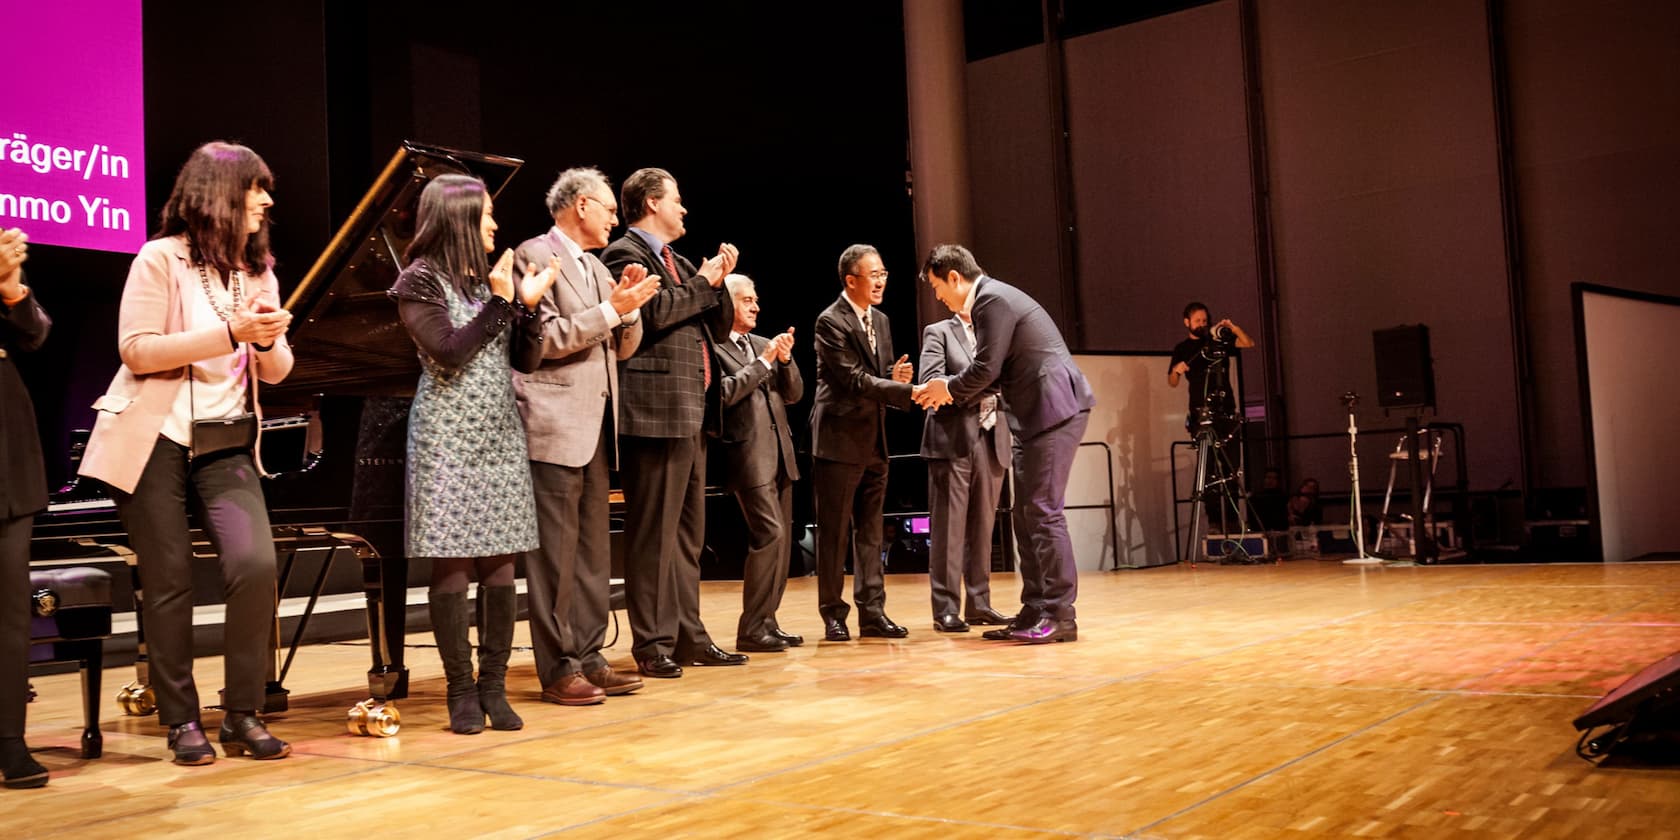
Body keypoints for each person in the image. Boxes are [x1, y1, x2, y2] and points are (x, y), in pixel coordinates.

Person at [79, 143, 295, 763]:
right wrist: (231, 331)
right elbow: (138, 351)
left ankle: (242, 713)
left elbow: (277, 372)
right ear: (222, 192)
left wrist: (267, 335)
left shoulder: (258, 270)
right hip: (155, 440)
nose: (267, 200)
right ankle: (181, 721)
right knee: (170, 581)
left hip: (225, 441)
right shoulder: (159, 258)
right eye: (257, 187)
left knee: (255, 566)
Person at [389, 173, 555, 734]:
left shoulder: (490, 282)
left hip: (498, 432)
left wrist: (526, 310)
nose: (494, 224)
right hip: (447, 437)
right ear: (458, 218)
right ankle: (461, 691)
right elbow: (450, 351)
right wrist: (504, 301)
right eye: (486, 214)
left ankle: (494, 685)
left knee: (503, 566)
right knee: (454, 564)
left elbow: (526, 362)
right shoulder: (419, 281)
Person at [511, 168, 657, 706]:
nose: (616, 217)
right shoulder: (533, 254)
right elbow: (542, 340)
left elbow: (621, 347)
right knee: (554, 556)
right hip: (552, 423)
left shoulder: (595, 266)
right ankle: (558, 667)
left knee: (595, 550)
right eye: (608, 208)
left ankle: (591, 655)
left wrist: (628, 311)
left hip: (596, 426)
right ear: (579, 206)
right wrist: (608, 311)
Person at [600, 168, 744, 677]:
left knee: (687, 535)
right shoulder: (624, 254)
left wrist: (718, 282)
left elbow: (719, 325)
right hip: (655, 414)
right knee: (653, 535)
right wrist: (705, 283)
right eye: (677, 200)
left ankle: (690, 637)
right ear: (653, 202)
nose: (684, 209)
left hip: (691, 411)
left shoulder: (680, 261)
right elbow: (655, 313)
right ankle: (651, 644)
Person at [915, 244, 1094, 644]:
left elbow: (985, 369)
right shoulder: (993, 299)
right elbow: (996, 375)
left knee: (1044, 513)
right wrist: (949, 389)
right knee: (1025, 515)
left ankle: (1061, 615)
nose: (938, 297)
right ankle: (1035, 610)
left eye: (937, 287)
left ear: (954, 278)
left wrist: (947, 389)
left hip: (1053, 410)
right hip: (1033, 416)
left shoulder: (990, 300)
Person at [810, 244, 916, 642]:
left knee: (872, 533)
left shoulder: (882, 321)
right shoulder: (829, 322)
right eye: (874, 275)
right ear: (851, 280)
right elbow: (852, 380)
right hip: (839, 440)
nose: (881, 281)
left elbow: (875, 376)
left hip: (875, 440)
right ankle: (833, 615)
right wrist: (903, 390)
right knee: (835, 534)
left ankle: (873, 612)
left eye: (884, 274)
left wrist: (894, 375)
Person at [711, 274, 804, 652]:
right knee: (769, 536)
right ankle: (750, 628)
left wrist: (785, 359)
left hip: (781, 453)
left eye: (756, 299)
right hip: (747, 456)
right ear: (728, 304)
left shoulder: (764, 344)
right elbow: (725, 394)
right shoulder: (715, 348)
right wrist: (764, 364)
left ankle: (768, 620)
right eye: (747, 300)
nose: (755, 306)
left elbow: (794, 393)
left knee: (782, 545)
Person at [919, 309, 1013, 633]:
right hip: (952, 439)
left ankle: (980, 604)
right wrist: (981, 386)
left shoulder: (997, 332)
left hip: (992, 438)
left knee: (983, 529)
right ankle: (945, 609)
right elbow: (931, 382)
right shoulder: (938, 332)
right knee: (948, 530)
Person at [1, 228, 51, 788]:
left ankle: (9, 740)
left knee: (9, 613)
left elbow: (34, 334)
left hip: (6, 454)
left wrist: (11, 286)